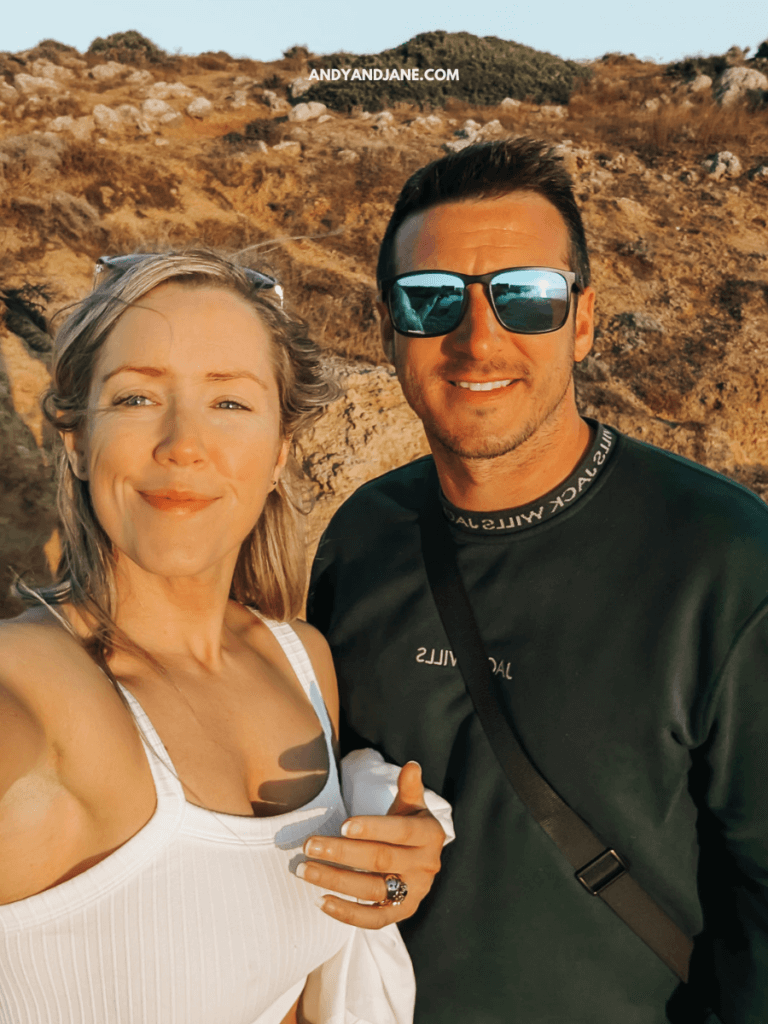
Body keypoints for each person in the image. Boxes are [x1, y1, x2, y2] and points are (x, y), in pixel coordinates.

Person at [307, 138, 768, 1023]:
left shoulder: (723, 556)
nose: (478, 339)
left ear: (584, 320)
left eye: (526, 297)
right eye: (432, 300)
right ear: (388, 329)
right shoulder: (362, 537)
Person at [0, 250, 448, 1024]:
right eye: (137, 397)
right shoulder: (27, 689)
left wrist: (396, 873)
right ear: (75, 439)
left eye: (230, 403)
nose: (181, 444)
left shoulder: (301, 662)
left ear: (279, 451)